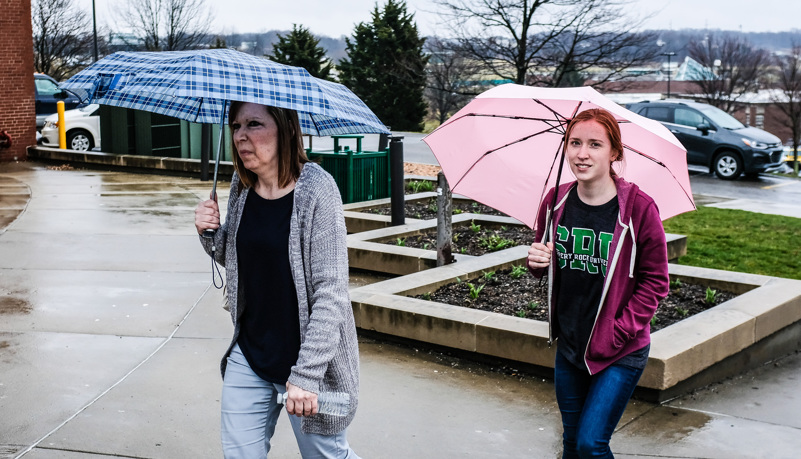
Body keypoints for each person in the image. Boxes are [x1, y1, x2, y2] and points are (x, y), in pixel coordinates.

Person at [194, 101, 361, 459]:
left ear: (284, 128)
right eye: (236, 125)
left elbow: (332, 293)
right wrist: (209, 233)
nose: (241, 136)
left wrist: (306, 375)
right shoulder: (242, 188)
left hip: (310, 362)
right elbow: (234, 257)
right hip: (250, 352)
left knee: (326, 456)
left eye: (254, 124)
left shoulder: (317, 188)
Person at [527, 108, 669, 458]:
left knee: (591, 445)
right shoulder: (555, 202)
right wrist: (536, 263)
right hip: (571, 344)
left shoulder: (638, 209)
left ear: (614, 153)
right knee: (572, 442)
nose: (581, 153)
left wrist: (617, 332)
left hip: (619, 350)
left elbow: (656, 281)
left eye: (594, 144)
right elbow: (542, 260)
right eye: (574, 143)